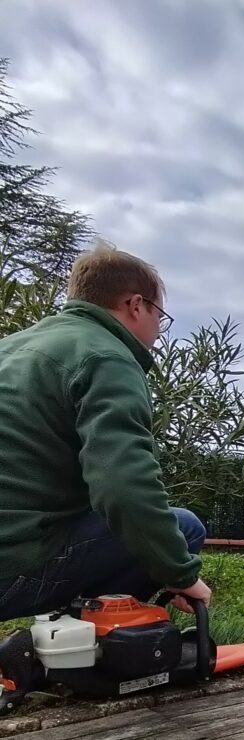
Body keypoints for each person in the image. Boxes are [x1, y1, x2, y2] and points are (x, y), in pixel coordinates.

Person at [0, 241, 211, 620]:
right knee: (185, 527)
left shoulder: (11, 347)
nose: (159, 330)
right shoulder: (108, 357)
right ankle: (89, 643)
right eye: (159, 315)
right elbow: (122, 486)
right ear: (135, 305)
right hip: (11, 566)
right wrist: (180, 573)